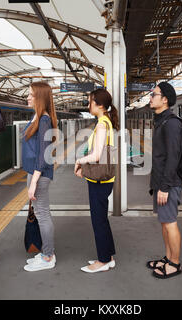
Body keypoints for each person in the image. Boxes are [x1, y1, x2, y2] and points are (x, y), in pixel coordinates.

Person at [74, 88, 119, 273]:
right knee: (102, 219)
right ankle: (107, 256)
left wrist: (79, 161)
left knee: (98, 219)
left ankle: (102, 261)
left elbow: (97, 155)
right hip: (104, 179)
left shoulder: (102, 124)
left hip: (99, 181)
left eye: (90, 101)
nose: (88, 105)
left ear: (99, 104)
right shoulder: (105, 121)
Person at [146, 82, 182, 279]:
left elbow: (173, 157)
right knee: (164, 222)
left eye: (154, 94)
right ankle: (168, 258)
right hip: (161, 182)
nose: (151, 97)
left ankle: (175, 264)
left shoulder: (172, 123)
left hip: (168, 184)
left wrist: (165, 187)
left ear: (165, 99)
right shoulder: (161, 121)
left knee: (170, 223)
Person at [22, 82, 58, 272]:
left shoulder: (43, 120)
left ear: (40, 98)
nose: (27, 97)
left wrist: (33, 182)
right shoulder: (37, 117)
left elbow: (43, 155)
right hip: (35, 173)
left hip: (40, 174)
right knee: (42, 213)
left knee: (43, 215)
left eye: (31, 95)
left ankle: (48, 256)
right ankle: (46, 251)